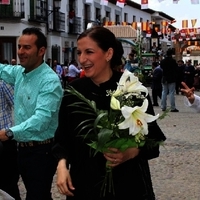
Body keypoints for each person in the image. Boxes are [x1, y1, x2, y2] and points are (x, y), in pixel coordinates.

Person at [52, 26, 166, 200]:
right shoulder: (74, 91)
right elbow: (63, 138)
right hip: (84, 186)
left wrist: (131, 152)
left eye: (89, 52)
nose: (82, 59)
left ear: (108, 54)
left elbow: (153, 141)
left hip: (126, 186)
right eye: (79, 52)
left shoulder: (130, 89)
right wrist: (61, 166)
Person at [0, 27, 63, 200]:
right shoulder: (20, 72)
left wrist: (9, 132)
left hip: (41, 151)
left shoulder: (49, 81)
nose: (21, 51)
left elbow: (41, 119)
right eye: (20, 47)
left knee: (37, 196)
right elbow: (1, 69)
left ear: (41, 51)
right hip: (21, 148)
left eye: (27, 47)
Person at [0, 81, 21, 200]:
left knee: (8, 187)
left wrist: (13, 131)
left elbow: (20, 106)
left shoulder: (3, 82)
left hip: (4, 142)